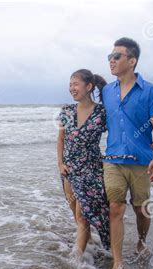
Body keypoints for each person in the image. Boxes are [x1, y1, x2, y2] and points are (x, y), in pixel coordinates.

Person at [101, 37, 153, 269]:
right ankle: (117, 265)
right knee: (115, 208)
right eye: (109, 57)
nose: (111, 60)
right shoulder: (106, 90)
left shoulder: (150, 91)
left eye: (116, 56)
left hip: (141, 161)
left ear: (132, 60)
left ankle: (141, 241)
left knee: (141, 208)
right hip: (113, 160)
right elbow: (92, 113)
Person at [56, 69, 110, 258]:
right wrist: (60, 164)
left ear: (88, 87)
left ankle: (76, 260)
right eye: (70, 84)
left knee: (82, 215)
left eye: (75, 84)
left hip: (91, 169)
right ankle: (86, 240)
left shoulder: (101, 112)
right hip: (69, 169)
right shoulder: (67, 111)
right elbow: (61, 139)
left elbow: (120, 130)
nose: (71, 88)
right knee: (75, 212)